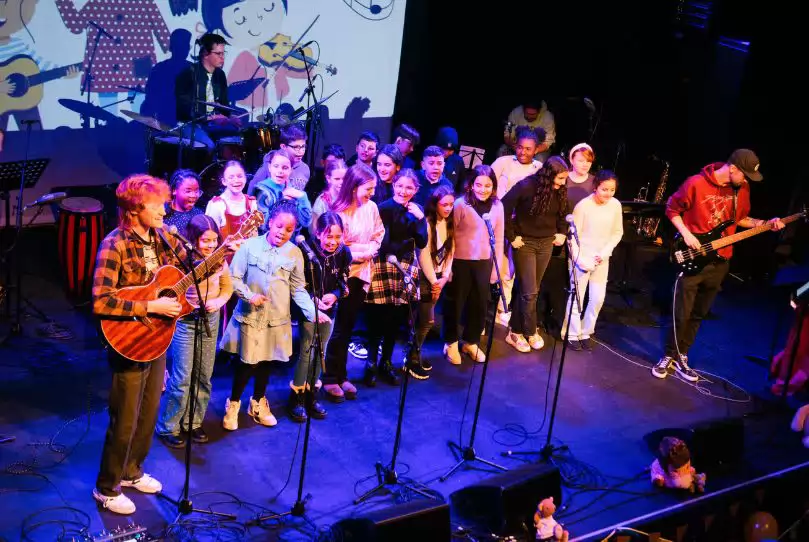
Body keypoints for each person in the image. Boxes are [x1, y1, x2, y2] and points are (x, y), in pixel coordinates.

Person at [91, 174, 186, 515]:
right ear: (135, 209)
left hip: (156, 340)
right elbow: (101, 301)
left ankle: (132, 472)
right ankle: (106, 487)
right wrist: (150, 306)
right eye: (157, 204)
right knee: (126, 418)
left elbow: (186, 274)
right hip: (128, 341)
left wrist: (222, 254)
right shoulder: (114, 243)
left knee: (148, 414)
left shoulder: (163, 239)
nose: (164, 209)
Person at [652, 149, 785, 381]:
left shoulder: (741, 189)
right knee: (681, 313)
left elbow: (741, 219)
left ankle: (683, 356)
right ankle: (668, 355)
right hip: (695, 255)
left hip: (721, 260)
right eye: (744, 175)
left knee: (699, 313)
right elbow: (672, 209)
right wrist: (686, 234)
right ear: (732, 168)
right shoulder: (696, 183)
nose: (745, 181)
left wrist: (765, 223)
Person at [220, 200, 317, 430]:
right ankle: (233, 403)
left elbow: (297, 288)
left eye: (289, 230)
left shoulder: (294, 253)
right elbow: (234, 278)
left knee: (266, 362)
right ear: (270, 223)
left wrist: (313, 312)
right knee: (247, 362)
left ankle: (258, 402)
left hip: (276, 319)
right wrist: (249, 295)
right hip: (251, 317)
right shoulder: (249, 246)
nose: (282, 233)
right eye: (279, 226)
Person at [156, 215, 233, 448]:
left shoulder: (220, 261)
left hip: (210, 318)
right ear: (193, 239)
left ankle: (193, 422)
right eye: (204, 240)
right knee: (182, 376)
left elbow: (227, 288)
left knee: (203, 375)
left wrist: (218, 302)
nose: (210, 245)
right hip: (186, 320)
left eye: (213, 240)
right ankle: (168, 426)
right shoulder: (183, 261)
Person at [321, 164, 385, 402]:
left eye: (374, 188)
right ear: (354, 186)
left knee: (348, 327)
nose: (372, 193)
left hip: (362, 275)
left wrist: (369, 249)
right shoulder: (338, 211)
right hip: (342, 275)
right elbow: (338, 246)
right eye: (368, 188)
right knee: (337, 330)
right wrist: (364, 251)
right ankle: (328, 378)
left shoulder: (372, 208)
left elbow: (378, 234)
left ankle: (341, 374)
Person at [363, 169, 428, 387]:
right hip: (385, 263)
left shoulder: (416, 211)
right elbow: (384, 241)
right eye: (400, 186)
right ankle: (371, 362)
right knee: (378, 317)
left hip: (405, 266)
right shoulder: (382, 208)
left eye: (409, 187)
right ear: (393, 186)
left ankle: (387, 362)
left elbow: (422, 242)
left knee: (396, 318)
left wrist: (421, 221)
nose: (404, 191)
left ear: (416, 190)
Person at [501, 157, 569, 353]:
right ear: (549, 175)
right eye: (560, 179)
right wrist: (511, 236)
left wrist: (562, 232)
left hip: (546, 243)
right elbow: (503, 208)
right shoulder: (526, 186)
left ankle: (515, 330)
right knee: (530, 291)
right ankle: (529, 330)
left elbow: (564, 213)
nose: (563, 183)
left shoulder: (560, 190)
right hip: (526, 243)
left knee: (529, 289)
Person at [289, 212, 352, 422]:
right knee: (307, 351)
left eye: (337, 237)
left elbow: (344, 283)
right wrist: (313, 300)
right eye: (328, 236)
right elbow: (296, 283)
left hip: (329, 308)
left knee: (321, 352)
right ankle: (296, 396)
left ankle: (311, 393)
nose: (333, 242)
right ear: (318, 233)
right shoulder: (305, 250)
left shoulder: (344, 253)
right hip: (309, 308)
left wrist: (334, 295)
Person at [443, 165, 504, 365]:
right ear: (471, 185)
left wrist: (496, 269)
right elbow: (449, 237)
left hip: (484, 262)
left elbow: (500, 238)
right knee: (456, 302)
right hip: (460, 261)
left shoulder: (498, 206)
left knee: (479, 304)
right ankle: (450, 342)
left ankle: (471, 341)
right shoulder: (461, 204)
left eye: (488, 185)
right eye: (479, 184)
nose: (483, 189)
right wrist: (447, 265)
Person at [563, 170, 623, 351]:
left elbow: (617, 232)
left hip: (601, 259)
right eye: (604, 189)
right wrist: (580, 260)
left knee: (597, 298)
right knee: (577, 297)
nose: (608, 193)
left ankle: (586, 331)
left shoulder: (615, 205)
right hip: (582, 258)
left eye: (612, 190)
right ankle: (572, 333)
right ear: (596, 187)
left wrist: (604, 253)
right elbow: (572, 236)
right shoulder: (584, 206)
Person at [491, 126, 543, 326]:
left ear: (536, 149)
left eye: (528, 149)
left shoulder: (539, 169)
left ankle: (503, 309)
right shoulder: (503, 163)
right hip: (499, 220)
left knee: (511, 269)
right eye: (520, 147)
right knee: (496, 266)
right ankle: (492, 306)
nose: (523, 152)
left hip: (522, 225)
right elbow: (487, 183)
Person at [409, 185, 455, 380]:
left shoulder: (449, 223)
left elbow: (451, 251)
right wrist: (435, 281)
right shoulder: (427, 223)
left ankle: (415, 353)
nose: (448, 208)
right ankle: (411, 358)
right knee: (426, 320)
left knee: (425, 321)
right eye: (444, 204)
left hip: (438, 277)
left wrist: (445, 276)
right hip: (425, 276)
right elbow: (423, 255)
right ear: (435, 204)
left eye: (451, 204)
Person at [175, 33, 242, 151]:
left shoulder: (220, 75)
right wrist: (212, 118)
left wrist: (230, 117)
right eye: (218, 54)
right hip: (191, 124)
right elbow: (184, 109)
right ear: (205, 53)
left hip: (213, 125)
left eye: (223, 53)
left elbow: (223, 105)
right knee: (209, 146)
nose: (222, 57)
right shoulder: (189, 74)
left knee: (237, 141)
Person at [251, 149, 312, 234]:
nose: (280, 171)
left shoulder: (294, 192)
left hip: (291, 243)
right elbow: (263, 224)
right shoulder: (262, 190)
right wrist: (283, 201)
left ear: (291, 170)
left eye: (285, 168)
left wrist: (303, 197)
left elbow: (306, 222)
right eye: (276, 166)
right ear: (269, 167)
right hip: (268, 243)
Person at [248, 124, 311, 192]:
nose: (301, 151)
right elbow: (253, 188)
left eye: (303, 146)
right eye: (296, 147)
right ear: (283, 147)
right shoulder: (270, 165)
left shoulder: (305, 169)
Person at [310, 158, 347, 235]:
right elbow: (314, 230)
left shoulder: (349, 198)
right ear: (328, 178)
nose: (341, 182)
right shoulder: (322, 201)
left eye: (344, 179)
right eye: (337, 179)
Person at [164, 169, 204, 237]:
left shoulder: (199, 215)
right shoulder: (163, 213)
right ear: (174, 190)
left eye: (196, 191)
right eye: (188, 191)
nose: (193, 195)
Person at [435, 126, 466, 192]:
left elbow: (462, 184)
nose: (446, 153)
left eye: (450, 150)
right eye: (444, 149)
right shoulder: (430, 158)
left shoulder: (458, 161)